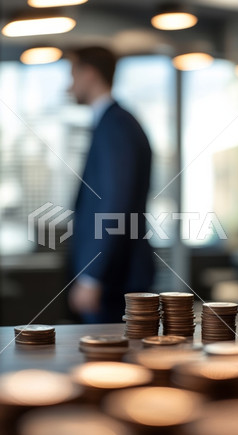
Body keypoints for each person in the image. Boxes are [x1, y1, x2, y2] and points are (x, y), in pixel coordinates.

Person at [67, 46, 155, 323]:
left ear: (89, 74)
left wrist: (93, 276)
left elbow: (114, 203)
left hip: (115, 281)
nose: (69, 85)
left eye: (72, 74)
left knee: (111, 362)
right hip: (116, 276)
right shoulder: (114, 123)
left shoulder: (115, 125)